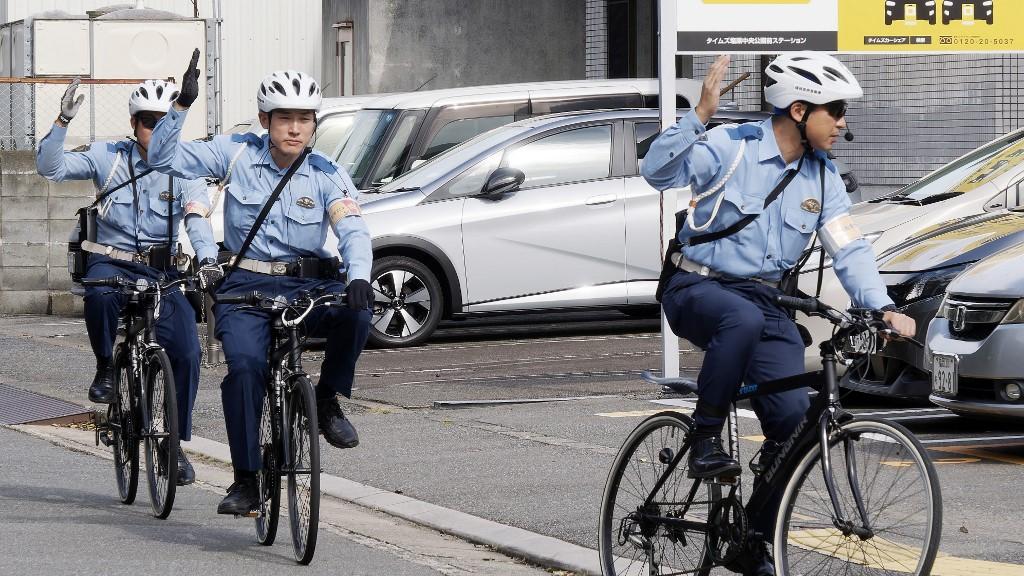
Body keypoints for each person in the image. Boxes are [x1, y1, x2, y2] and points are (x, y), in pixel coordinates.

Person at [641, 52, 916, 575]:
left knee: (795, 421)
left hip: (766, 302)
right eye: (833, 110)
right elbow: (656, 172)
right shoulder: (732, 148)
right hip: (697, 287)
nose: (842, 122)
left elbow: (849, 249)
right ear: (797, 109)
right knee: (737, 321)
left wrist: (880, 306)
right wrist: (698, 115)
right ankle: (703, 437)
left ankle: (751, 539)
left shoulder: (823, 179)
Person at [147, 50, 374, 515]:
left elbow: (352, 228)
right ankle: (247, 479)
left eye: (304, 119)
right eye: (284, 118)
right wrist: (181, 108)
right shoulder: (234, 155)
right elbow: (164, 157)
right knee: (246, 370)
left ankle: (328, 399)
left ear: (315, 124)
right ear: (263, 119)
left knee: (359, 310)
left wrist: (359, 276)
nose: (294, 128)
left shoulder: (327, 173)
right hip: (244, 289)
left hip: (306, 286)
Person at [37, 78, 218, 486]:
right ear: (135, 124)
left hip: (163, 270)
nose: (157, 130)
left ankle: (174, 445)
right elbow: (52, 167)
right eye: (150, 122)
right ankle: (105, 367)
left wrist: (207, 260)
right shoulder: (109, 157)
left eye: (165, 121)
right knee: (99, 294)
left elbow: (196, 219)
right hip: (112, 262)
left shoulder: (186, 167)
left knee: (188, 351)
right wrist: (63, 120)